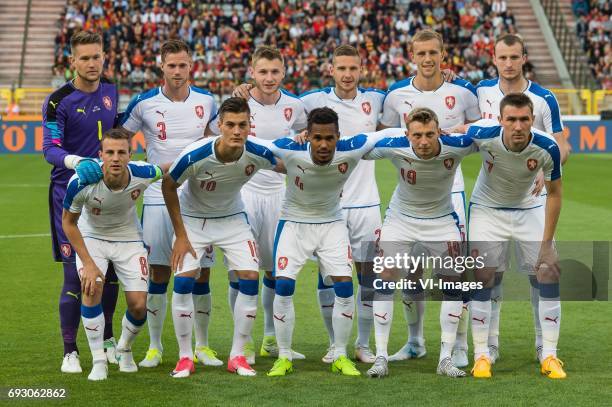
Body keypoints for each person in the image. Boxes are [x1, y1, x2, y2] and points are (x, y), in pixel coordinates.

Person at [378, 29, 480, 364]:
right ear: (411, 54)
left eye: (433, 52)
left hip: (451, 194)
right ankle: (414, 341)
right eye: (421, 53)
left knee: (454, 272)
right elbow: (385, 137)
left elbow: (481, 134)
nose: (427, 59)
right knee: (410, 271)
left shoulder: (463, 91)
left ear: (442, 53)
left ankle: (460, 346)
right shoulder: (394, 95)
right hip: (409, 197)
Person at [161, 97, 282, 378]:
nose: (237, 131)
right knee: (183, 281)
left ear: (251, 125)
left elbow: (291, 162)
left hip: (232, 220)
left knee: (250, 278)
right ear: (220, 126)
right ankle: (184, 357)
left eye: (243, 125)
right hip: (193, 221)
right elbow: (168, 186)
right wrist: (180, 235)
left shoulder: (258, 151)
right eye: (231, 125)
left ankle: (238, 356)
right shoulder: (195, 154)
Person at [120, 39, 221, 369]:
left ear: (192, 65)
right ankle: (154, 347)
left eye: (183, 64)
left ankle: (202, 346)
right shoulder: (144, 103)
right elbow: (119, 138)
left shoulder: (207, 101)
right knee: (160, 272)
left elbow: (221, 137)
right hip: (157, 198)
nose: (177, 71)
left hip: (197, 199)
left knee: (201, 274)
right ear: (161, 66)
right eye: (171, 65)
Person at [265, 108, 387, 377]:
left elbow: (387, 134)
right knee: (283, 285)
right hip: (293, 223)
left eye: (329, 138)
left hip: (332, 224)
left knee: (344, 286)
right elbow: (255, 145)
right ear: (307, 136)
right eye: (317, 137)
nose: (323, 144)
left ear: (338, 137)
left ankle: (340, 354)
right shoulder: (290, 149)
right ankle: (284, 356)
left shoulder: (351, 149)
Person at [476, 33, 570, 364]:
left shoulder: (544, 98)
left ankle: (545, 347)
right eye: (502, 57)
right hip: (490, 198)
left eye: (514, 57)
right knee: (490, 274)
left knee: (542, 271)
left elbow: (561, 143)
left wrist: (547, 171)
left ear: (524, 57)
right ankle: (489, 346)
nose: (508, 63)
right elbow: (472, 131)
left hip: (531, 199)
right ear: (494, 58)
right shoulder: (482, 92)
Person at [362, 108, 477, 378]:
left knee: (453, 283)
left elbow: (493, 136)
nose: (423, 141)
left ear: (439, 132)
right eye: (417, 135)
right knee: (386, 276)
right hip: (400, 220)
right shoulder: (395, 145)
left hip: (441, 221)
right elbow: (356, 148)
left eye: (429, 134)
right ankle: (380, 357)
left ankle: (446, 358)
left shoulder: (456, 145)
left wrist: (464, 129)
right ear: (407, 134)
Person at [467, 94, 564, 379]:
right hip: (487, 208)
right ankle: (483, 353)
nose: (518, 126)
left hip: (529, 207)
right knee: (485, 276)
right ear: (500, 121)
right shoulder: (484, 133)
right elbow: (461, 132)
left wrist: (547, 246)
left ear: (532, 120)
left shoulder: (547, 146)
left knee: (548, 272)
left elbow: (555, 194)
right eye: (511, 119)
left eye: (524, 119)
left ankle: (548, 353)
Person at [299, 44, 385, 364]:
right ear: (331, 69)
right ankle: (335, 344)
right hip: (328, 207)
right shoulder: (311, 101)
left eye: (353, 68)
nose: (347, 74)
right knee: (328, 277)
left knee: (366, 277)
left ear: (361, 70)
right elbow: (272, 102)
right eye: (342, 68)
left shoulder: (375, 100)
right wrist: (247, 87)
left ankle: (362, 345)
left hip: (366, 203)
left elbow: (414, 95)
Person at [42, 30, 120, 374]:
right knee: (76, 278)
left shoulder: (111, 90)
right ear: (72, 61)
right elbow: (50, 149)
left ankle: (107, 340)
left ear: (104, 57)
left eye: (97, 56)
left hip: (107, 196)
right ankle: (70, 351)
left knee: (112, 273)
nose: (92, 63)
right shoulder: (59, 100)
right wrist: (75, 162)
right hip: (68, 196)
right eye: (84, 58)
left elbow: (116, 131)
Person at [62, 128, 164, 380]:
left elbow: (170, 169)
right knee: (91, 287)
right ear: (100, 155)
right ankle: (99, 360)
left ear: (131, 155)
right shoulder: (81, 182)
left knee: (139, 306)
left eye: (121, 152)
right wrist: (88, 263)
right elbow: (68, 223)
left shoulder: (144, 173)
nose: (116, 158)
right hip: (92, 237)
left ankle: (124, 348)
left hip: (129, 238)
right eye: (110, 152)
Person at [230, 45, 307, 362]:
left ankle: (271, 340)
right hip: (244, 193)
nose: (269, 77)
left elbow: (305, 139)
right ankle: (242, 342)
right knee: (241, 271)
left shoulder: (295, 106)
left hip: (280, 195)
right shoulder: (240, 103)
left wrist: (302, 139)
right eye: (262, 71)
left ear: (284, 72)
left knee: (276, 271)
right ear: (251, 72)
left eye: (275, 71)